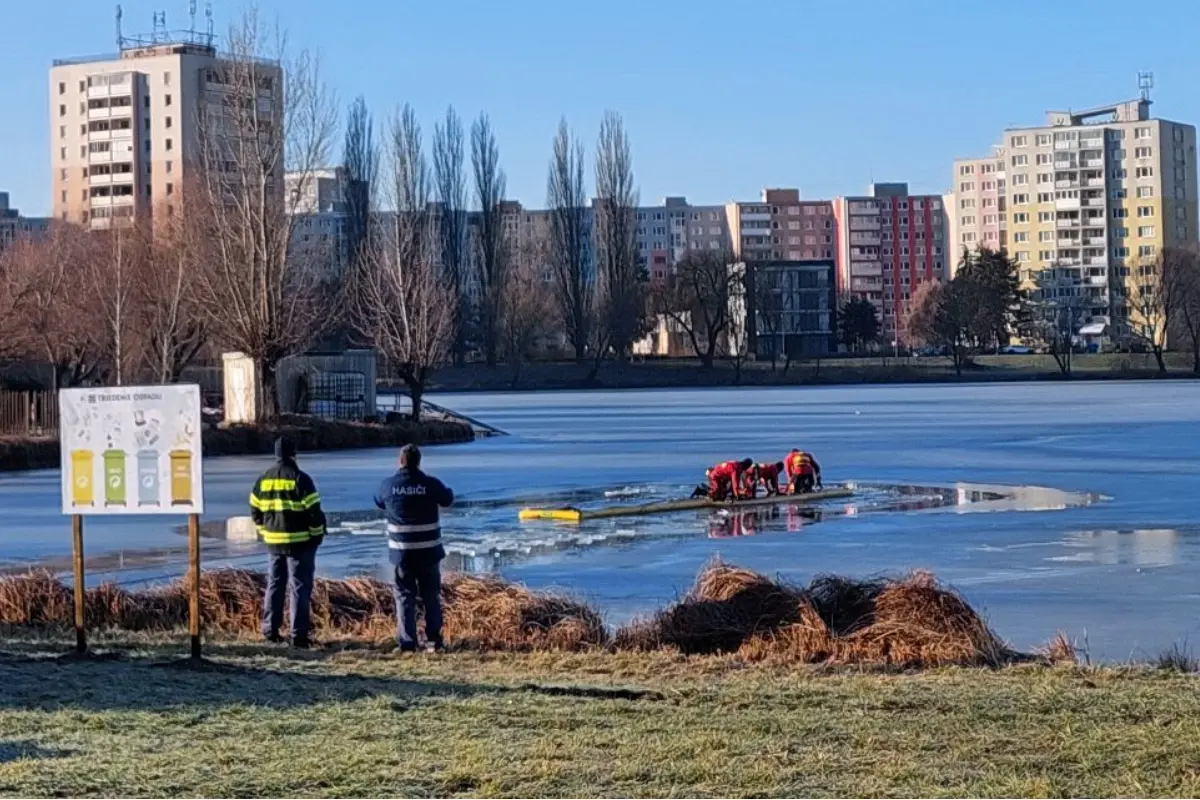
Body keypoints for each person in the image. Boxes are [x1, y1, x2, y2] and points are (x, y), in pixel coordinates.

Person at [375, 443, 454, 653]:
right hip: (429, 552)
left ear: (400, 461)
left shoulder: (388, 485)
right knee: (431, 596)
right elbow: (448, 498)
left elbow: (378, 500)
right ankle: (434, 642)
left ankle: (407, 643)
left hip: (402, 553)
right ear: (418, 461)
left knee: (404, 596)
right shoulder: (430, 484)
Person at [250, 436, 326, 649]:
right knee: (299, 588)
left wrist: (265, 531)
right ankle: (298, 635)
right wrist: (316, 536)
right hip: (300, 543)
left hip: (273, 543)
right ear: (294, 454)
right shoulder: (301, 479)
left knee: (274, 586)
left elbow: (255, 509)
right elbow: (314, 513)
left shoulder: (263, 479)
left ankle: (270, 631)